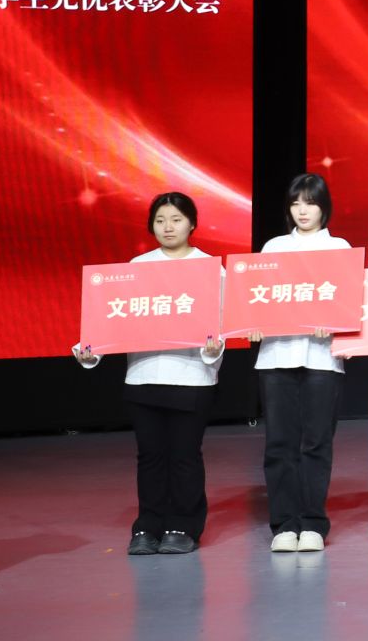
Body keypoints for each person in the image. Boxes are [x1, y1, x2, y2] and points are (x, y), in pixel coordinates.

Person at [73, 192, 225, 556]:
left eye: (176, 219)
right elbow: (116, 320)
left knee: (184, 455)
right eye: (160, 220)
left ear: (192, 223)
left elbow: (220, 323)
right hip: (143, 375)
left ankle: (183, 526)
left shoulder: (209, 269)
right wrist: (91, 349)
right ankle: (148, 525)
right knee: (150, 456)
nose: (168, 227)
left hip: (190, 376)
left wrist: (212, 348)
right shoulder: (137, 267)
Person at [253, 173, 350, 553]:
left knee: (316, 443)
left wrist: (335, 322)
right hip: (276, 356)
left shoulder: (339, 248)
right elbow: (255, 299)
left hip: (321, 358)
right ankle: (283, 524)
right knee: (279, 443)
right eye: (296, 203)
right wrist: (252, 323)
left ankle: (312, 523)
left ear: (324, 207)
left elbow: (348, 304)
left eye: (310, 203)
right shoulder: (274, 248)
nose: (303, 211)